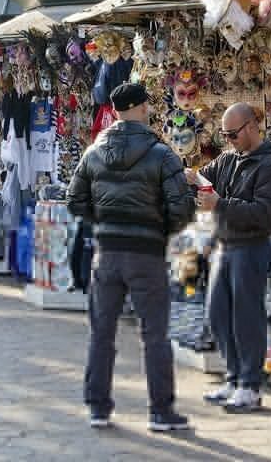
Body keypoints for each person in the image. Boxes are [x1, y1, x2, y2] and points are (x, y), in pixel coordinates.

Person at [67, 82, 195, 432]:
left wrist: (103, 222)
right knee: (155, 334)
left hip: (106, 254)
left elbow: (75, 200)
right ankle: (160, 411)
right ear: (140, 107)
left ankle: (97, 407)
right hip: (146, 255)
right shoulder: (161, 153)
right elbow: (181, 206)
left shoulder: (94, 152)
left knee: (101, 334)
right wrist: (160, 229)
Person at [186, 103, 271, 412]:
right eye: (224, 134)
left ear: (252, 127)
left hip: (251, 246)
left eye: (232, 134)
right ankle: (233, 377)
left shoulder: (270, 167)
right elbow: (204, 179)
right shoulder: (229, 158)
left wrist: (219, 204)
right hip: (226, 246)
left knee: (247, 316)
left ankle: (250, 384)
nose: (228, 139)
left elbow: (263, 214)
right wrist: (190, 180)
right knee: (218, 313)